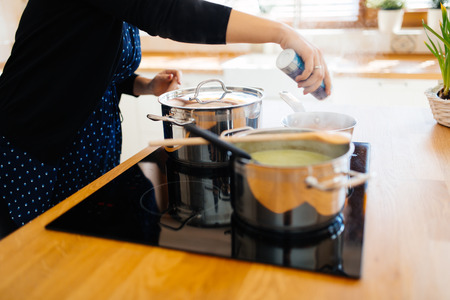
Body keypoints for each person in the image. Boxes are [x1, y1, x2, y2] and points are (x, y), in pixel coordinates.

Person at [0, 0, 331, 234]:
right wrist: (282, 33)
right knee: (30, 264)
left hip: (89, 153)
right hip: (33, 151)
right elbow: (169, 12)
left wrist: (146, 85)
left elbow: (89, 67)